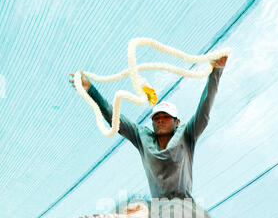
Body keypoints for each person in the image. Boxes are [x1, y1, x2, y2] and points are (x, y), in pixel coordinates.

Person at [69, 56, 227, 200]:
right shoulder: (142, 137)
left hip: (184, 206)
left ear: (176, 121)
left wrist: (216, 73)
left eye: (166, 117)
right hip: (159, 211)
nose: (160, 121)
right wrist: (90, 90)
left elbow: (204, 111)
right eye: (156, 118)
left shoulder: (187, 133)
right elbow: (115, 118)